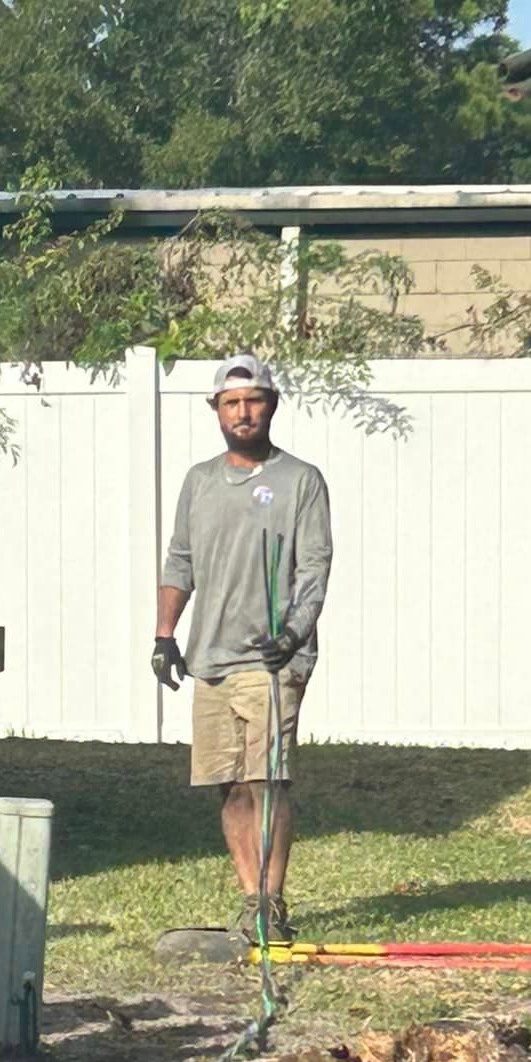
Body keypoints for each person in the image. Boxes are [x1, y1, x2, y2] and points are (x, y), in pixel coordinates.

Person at [152, 353, 332, 943]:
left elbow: (314, 566)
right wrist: (164, 635)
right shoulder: (199, 481)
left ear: (272, 405)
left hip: (271, 658)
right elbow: (180, 560)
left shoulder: (300, 481)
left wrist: (294, 633)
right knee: (229, 785)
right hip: (211, 657)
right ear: (217, 412)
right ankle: (247, 900)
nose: (243, 412)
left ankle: (271, 902)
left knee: (268, 780)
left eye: (253, 401)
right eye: (231, 403)